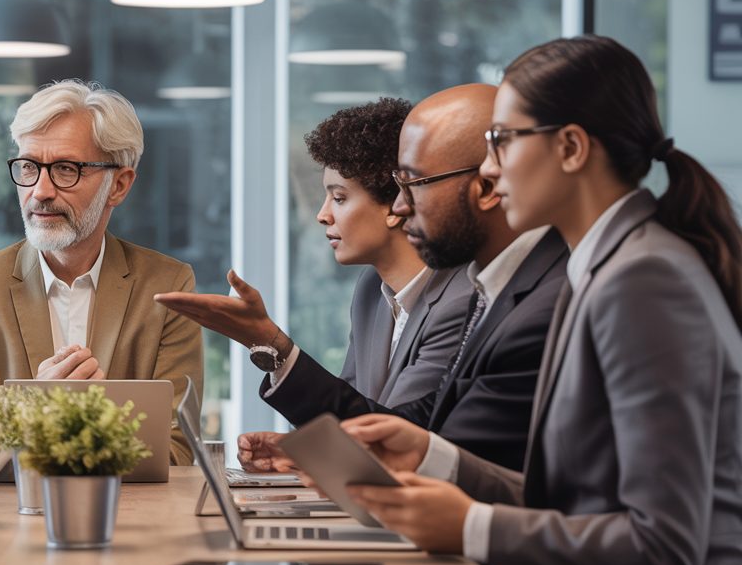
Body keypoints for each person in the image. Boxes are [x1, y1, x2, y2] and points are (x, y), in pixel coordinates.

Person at [346, 36, 742, 565]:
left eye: (502, 141)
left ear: (570, 148)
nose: (490, 172)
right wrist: (432, 455)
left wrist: (472, 526)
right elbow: (573, 502)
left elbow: (663, 546)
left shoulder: (643, 280)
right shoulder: (606, 268)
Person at [223, 84, 569, 473]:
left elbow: (420, 435)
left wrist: (273, 344)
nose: (403, 204)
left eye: (414, 184)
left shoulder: (503, 296)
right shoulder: (378, 290)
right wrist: (315, 451)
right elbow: (412, 426)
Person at [0, 80, 203, 465]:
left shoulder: (168, 287)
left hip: (126, 520)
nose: (40, 190)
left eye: (65, 169)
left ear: (118, 185)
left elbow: (179, 452)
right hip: (1, 521)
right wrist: (25, 404)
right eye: (28, 167)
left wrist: (90, 418)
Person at [154, 97, 471, 409]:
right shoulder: (370, 291)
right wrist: (294, 448)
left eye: (340, 197)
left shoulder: (459, 303)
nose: (323, 214)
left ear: (395, 204)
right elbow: (347, 411)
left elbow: (393, 433)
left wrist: (271, 343)